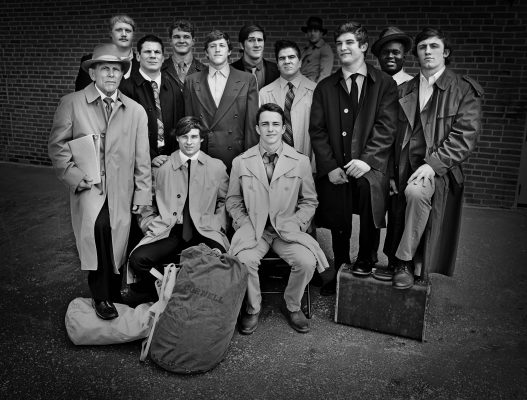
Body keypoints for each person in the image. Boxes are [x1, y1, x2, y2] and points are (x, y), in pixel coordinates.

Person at [48, 43, 152, 320]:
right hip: (89, 186)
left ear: (121, 76)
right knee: (99, 233)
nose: (110, 74)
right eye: (104, 68)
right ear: (92, 73)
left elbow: (143, 159)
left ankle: (116, 292)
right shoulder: (71, 103)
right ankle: (102, 296)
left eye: (115, 70)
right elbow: (57, 147)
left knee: (120, 238)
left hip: (123, 189)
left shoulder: (136, 111)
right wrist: (75, 178)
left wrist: (142, 196)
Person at [382, 27, 483, 289]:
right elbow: (391, 135)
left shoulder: (462, 90)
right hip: (403, 166)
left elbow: (465, 137)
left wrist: (432, 165)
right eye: (423, 47)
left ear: (445, 52)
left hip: (438, 169)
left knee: (416, 194)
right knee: (392, 203)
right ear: (416, 53)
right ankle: (395, 260)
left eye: (434, 46)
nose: (428, 51)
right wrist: (391, 174)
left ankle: (403, 261)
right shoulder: (404, 89)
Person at [309, 22, 398, 295]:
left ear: (363, 46)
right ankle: (341, 264)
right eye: (339, 44)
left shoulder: (384, 84)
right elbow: (318, 130)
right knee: (338, 215)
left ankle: (366, 260)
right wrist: (329, 166)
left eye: (350, 42)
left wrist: (368, 160)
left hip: (369, 166)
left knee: (371, 208)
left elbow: (387, 126)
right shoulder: (325, 87)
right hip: (336, 166)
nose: (343, 48)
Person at [227, 103, 329, 334]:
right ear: (257, 128)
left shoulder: (300, 161)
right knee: (244, 261)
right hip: (255, 229)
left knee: (306, 261)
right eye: (265, 124)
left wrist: (298, 223)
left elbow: (310, 200)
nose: (270, 129)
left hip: (287, 229)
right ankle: (253, 308)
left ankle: (292, 305)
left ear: (283, 128)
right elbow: (232, 200)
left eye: (275, 124)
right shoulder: (241, 162)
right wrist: (245, 223)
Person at [127, 116, 229, 299]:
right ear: (177, 138)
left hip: (204, 229)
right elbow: (146, 203)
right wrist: (149, 225)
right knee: (137, 259)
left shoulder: (217, 167)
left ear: (202, 139)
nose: (189, 142)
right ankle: (169, 290)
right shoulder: (161, 168)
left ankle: (193, 296)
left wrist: (217, 223)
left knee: (222, 259)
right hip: (169, 229)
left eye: (194, 137)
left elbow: (225, 201)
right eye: (184, 137)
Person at [184, 29, 259, 171]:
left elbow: (251, 124)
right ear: (206, 52)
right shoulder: (191, 81)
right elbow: (189, 124)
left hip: (236, 156)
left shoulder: (247, 79)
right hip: (202, 155)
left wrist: (250, 158)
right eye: (212, 46)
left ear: (229, 51)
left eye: (222, 46)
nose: (217, 50)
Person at [120, 34, 184, 159]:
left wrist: (175, 156)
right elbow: (124, 131)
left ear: (163, 57)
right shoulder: (125, 88)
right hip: (140, 161)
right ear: (138, 56)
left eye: (157, 52)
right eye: (147, 52)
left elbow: (180, 124)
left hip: (171, 160)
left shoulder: (174, 87)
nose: (153, 55)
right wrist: (150, 156)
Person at [259, 40, 316, 167]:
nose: (287, 61)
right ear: (278, 65)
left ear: (300, 62)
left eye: (291, 57)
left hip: (307, 163)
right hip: (273, 165)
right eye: (282, 58)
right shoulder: (264, 93)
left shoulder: (316, 91)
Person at [75, 15, 139, 91]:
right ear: (110, 34)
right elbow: (82, 93)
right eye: (119, 30)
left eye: (128, 31)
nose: (124, 34)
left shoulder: (142, 62)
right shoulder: (91, 60)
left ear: (133, 35)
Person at [161, 19, 206, 93]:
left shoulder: (205, 72)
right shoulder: (159, 70)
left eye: (186, 37)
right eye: (177, 37)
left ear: (193, 42)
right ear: (170, 41)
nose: (181, 41)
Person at [230, 23, 279, 90]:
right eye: (251, 40)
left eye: (259, 40)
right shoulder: (230, 71)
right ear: (241, 45)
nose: (257, 45)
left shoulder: (277, 70)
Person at [300, 16, 334, 83]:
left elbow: (324, 75)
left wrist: (316, 91)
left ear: (321, 33)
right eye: (310, 31)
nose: (312, 33)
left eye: (315, 31)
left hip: (312, 86)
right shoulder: (305, 49)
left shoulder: (325, 48)